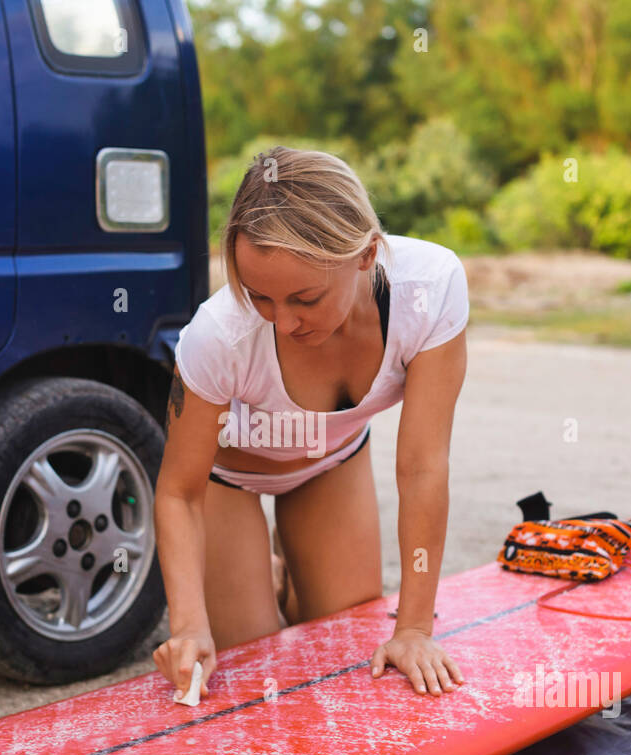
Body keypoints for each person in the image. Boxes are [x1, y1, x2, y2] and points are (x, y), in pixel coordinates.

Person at [153, 146, 468, 700]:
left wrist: (415, 629)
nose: (282, 320)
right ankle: (268, 567)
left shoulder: (432, 288)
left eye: (305, 297)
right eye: (260, 297)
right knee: (252, 669)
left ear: (367, 254)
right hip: (226, 481)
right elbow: (179, 492)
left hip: (331, 464)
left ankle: (289, 566)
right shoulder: (217, 334)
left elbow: (422, 467)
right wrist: (187, 624)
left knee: (341, 644)